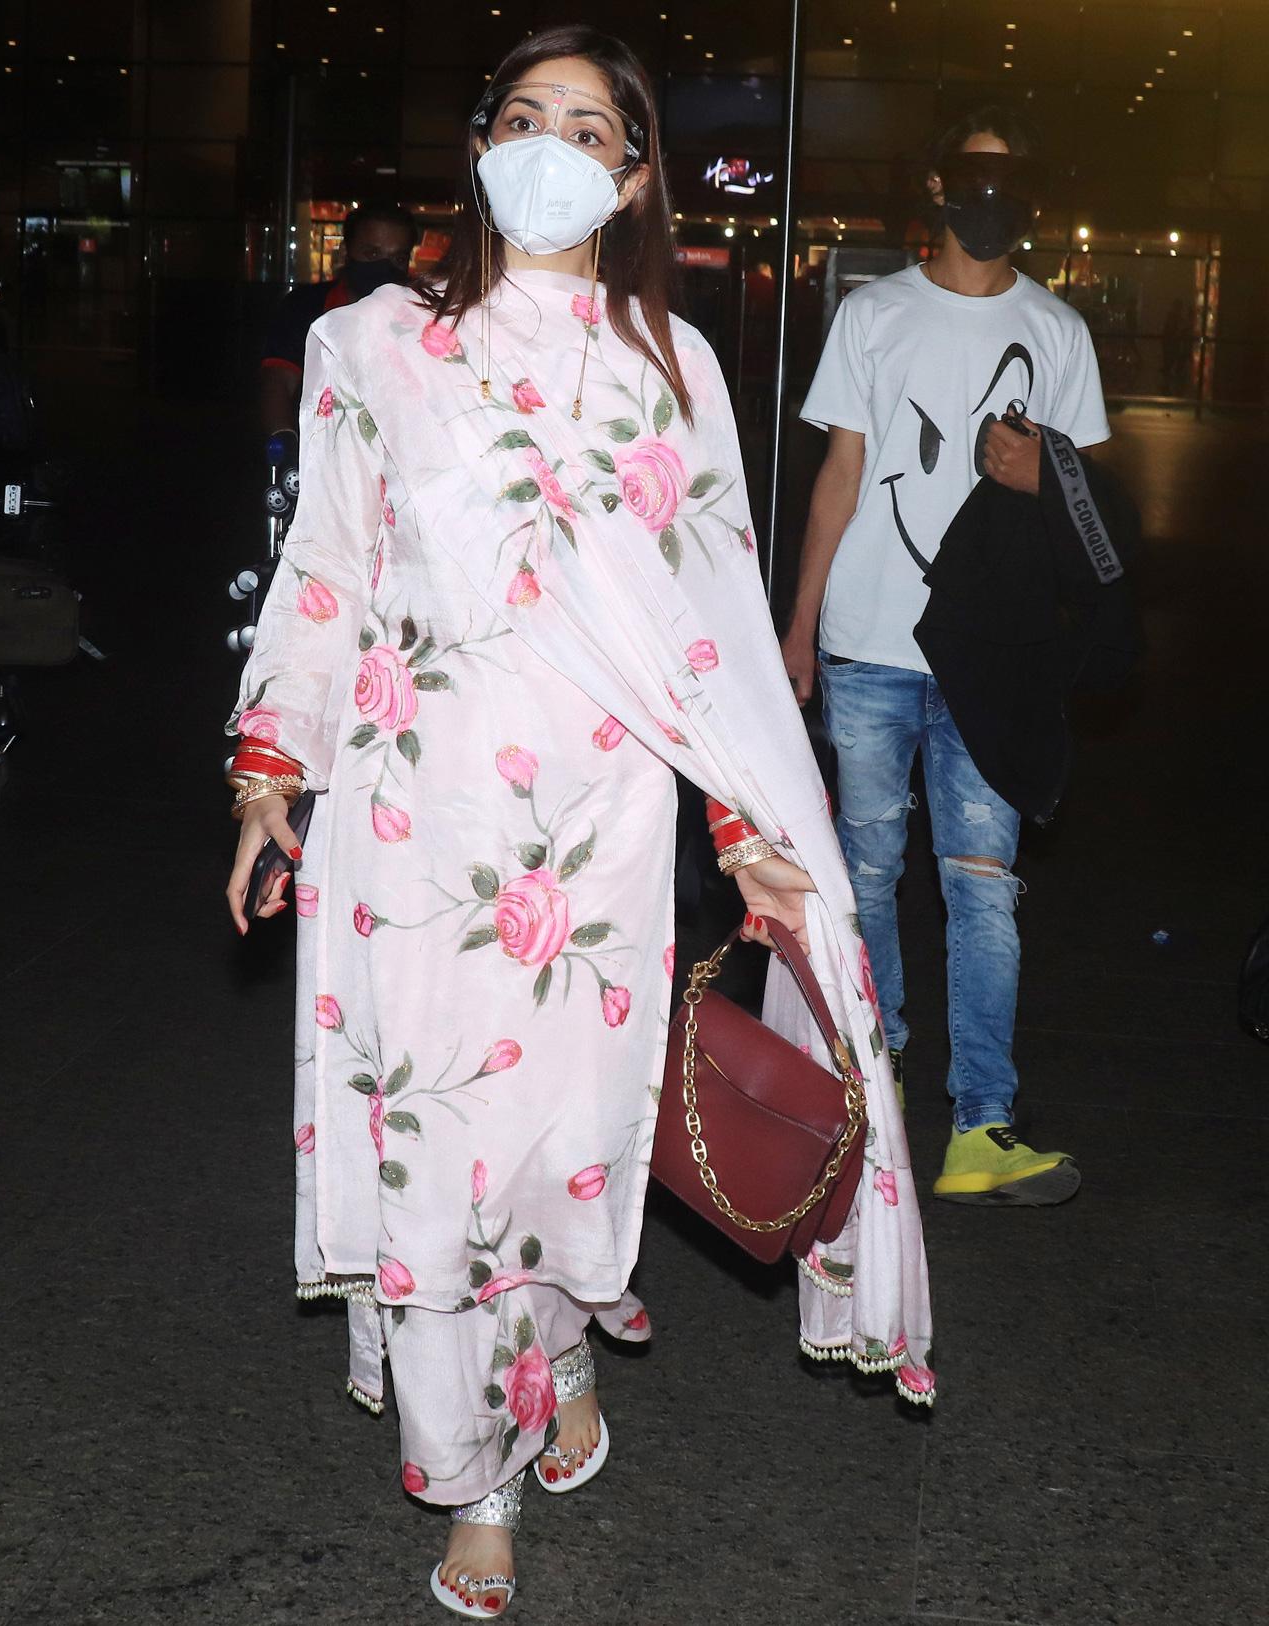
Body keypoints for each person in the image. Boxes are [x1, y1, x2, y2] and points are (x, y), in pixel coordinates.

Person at [226, 27, 934, 1619]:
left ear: (630, 180)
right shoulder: (373, 346)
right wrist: (270, 766)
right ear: (479, 149)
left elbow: (712, 628)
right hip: (406, 816)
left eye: (591, 126)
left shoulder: (670, 371)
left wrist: (750, 818)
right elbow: (327, 568)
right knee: (431, 1154)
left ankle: (546, 1364)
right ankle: (468, 1475)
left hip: (589, 830)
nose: (553, 143)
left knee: (547, 1155)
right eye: (524, 116)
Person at [781, 106, 1111, 1207]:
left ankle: (980, 1122)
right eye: (974, 172)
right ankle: (868, 1099)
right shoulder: (872, 314)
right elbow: (840, 472)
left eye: (1011, 175)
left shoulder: (1057, 331)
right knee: (864, 879)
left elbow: (1089, 509)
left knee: (981, 893)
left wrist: (1038, 478)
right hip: (868, 644)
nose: (991, 193)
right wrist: (796, 625)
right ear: (936, 186)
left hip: (994, 654)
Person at [258, 201, 418, 439]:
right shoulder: (306, 306)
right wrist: (285, 442)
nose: (385, 267)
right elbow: (278, 381)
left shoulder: (418, 315)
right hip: (322, 448)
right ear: (346, 252)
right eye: (372, 254)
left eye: (397, 258)